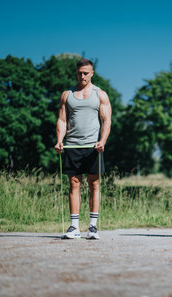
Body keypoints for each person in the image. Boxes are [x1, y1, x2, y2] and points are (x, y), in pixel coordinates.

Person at [54, 58, 112, 240]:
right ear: (76, 73)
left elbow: (106, 120)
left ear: (92, 73)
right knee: (74, 184)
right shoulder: (67, 95)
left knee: (94, 184)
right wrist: (59, 140)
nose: (82, 76)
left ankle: (93, 227)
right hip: (72, 145)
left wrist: (102, 140)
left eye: (86, 73)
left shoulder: (100, 94)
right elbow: (62, 120)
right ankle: (74, 227)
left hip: (93, 146)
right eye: (80, 73)